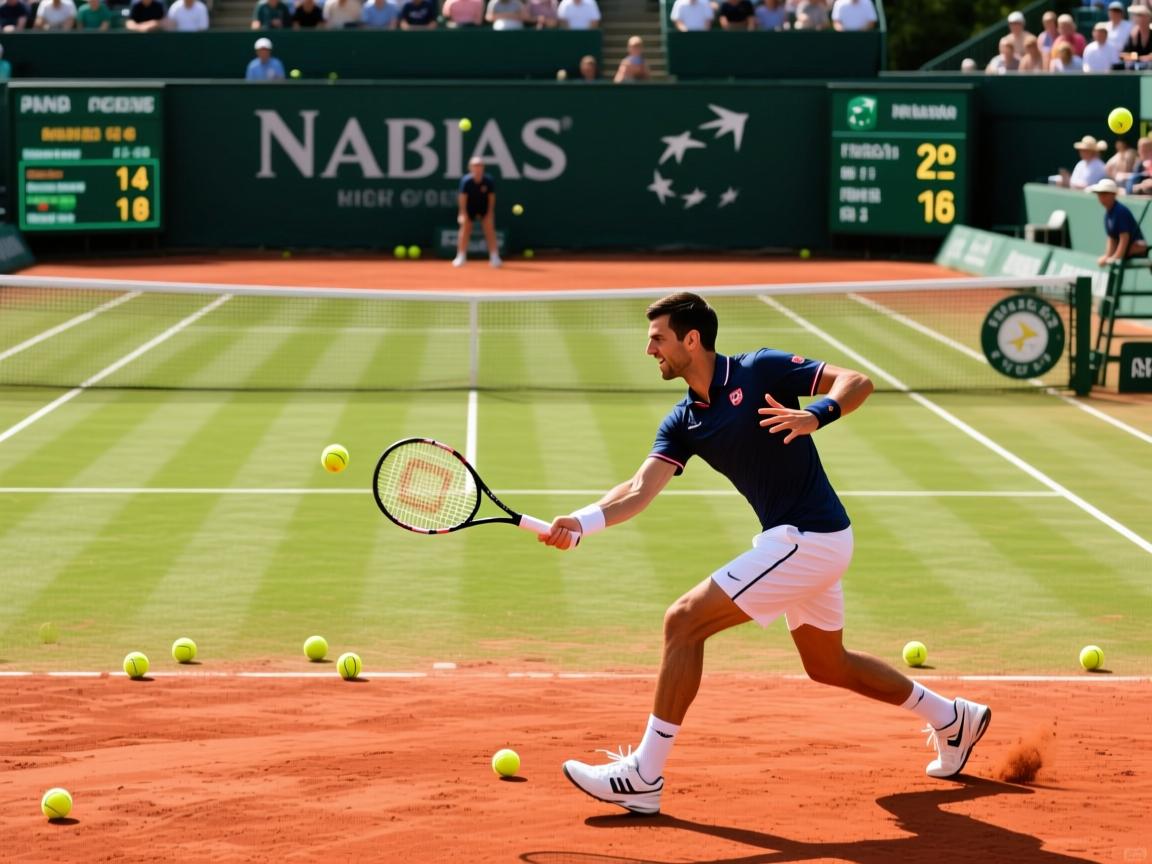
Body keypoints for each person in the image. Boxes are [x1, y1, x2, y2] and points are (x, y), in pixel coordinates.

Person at [545, 293, 992, 815]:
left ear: (692, 339)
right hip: (808, 543)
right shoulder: (684, 419)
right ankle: (952, 717)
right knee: (828, 664)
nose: (649, 350)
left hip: (808, 539)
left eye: (658, 338)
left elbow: (857, 382)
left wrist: (816, 417)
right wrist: (582, 521)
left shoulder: (759, 369)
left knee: (683, 622)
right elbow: (639, 489)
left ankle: (645, 774)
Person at [454, 157, 501, 269]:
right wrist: (462, 213)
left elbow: (491, 198)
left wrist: (490, 213)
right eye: (475, 165)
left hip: (484, 207)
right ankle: (460, 256)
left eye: (480, 165)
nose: (478, 167)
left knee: (489, 229)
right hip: (469, 207)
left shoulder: (488, 181)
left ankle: (494, 257)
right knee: (465, 229)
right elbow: (462, 199)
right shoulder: (466, 181)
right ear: (470, 167)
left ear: (483, 167)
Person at [1090, 178, 1148, 265]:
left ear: (1113, 195)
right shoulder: (1108, 214)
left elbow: (1124, 237)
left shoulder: (1120, 211)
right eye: (1099, 194)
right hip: (1126, 250)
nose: (1101, 197)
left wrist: (1116, 257)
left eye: (1104, 194)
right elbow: (1112, 238)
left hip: (1137, 248)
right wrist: (1108, 256)